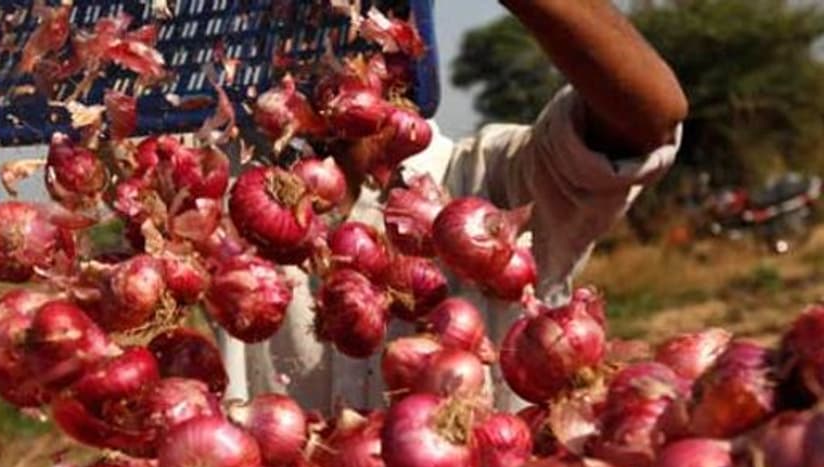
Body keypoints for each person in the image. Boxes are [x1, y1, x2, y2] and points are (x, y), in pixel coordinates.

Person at [217, 0, 688, 413]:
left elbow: (651, 116)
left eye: (341, 29)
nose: (320, 56)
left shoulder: (494, 178)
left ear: (400, 44)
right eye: (296, 30)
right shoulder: (232, 203)